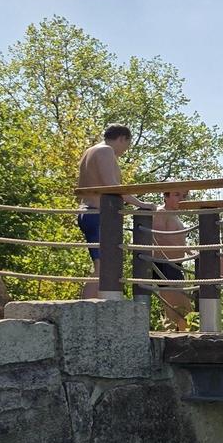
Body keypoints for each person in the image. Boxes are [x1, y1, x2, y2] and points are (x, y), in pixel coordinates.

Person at [75, 124, 132, 299]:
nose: (125, 150)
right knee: (103, 267)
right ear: (122, 138)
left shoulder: (89, 151)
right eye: (127, 144)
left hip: (88, 213)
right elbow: (111, 184)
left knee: (101, 266)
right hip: (98, 214)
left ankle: (90, 310)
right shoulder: (106, 151)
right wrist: (140, 203)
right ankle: (87, 312)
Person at [132, 186, 194, 328]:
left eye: (184, 195)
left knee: (184, 309)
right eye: (177, 194)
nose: (181, 198)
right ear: (166, 196)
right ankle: (172, 338)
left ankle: (180, 336)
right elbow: (158, 237)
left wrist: (192, 252)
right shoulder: (162, 212)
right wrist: (183, 249)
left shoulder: (175, 216)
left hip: (175, 265)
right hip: (164, 265)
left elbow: (179, 241)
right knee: (177, 310)